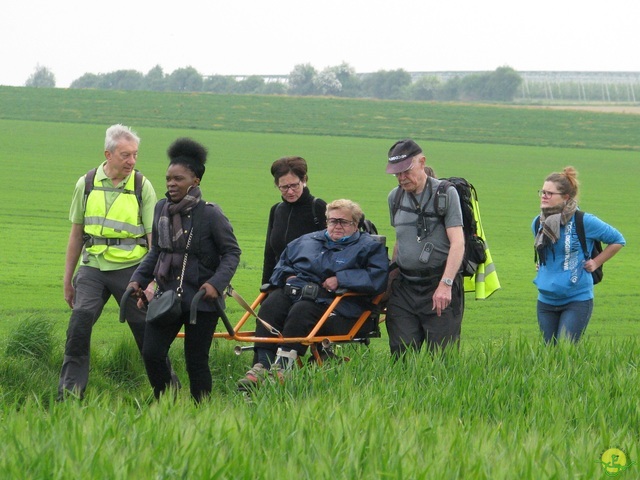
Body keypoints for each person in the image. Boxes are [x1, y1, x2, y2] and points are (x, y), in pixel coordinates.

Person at [58, 124, 175, 400]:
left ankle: (168, 395)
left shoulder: (141, 185)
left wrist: (151, 282)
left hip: (133, 270)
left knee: (147, 334)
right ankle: (69, 396)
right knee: (79, 323)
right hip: (93, 268)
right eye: (126, 155)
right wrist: (67, 279)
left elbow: (153, 239)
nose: (132, 161)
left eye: (135, 154)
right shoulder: (86, 184)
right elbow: (76, 234)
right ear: (108, 154)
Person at [128, 138, 241, 402]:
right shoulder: (160, 209)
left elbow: (232, 253)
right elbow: (157, 251)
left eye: (178, 179)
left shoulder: (210, 214)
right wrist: (137, 280)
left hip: (201, 302)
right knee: (152, 353)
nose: (170, 184)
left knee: (196, 361)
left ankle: (201, 411)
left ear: (195, 181)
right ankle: (166, 402)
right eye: (168, 178)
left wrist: (216, 284)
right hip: (166, 296)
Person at [238, 199, 388, 390]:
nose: (337, 226)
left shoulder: (368, 247)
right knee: (272, 303)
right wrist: (287, 276)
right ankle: (262, 366)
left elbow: (377, 278)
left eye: (344, 222)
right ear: (326, 222)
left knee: (303, 309)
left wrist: (341, 279)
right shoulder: (305, 241)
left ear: (355, 224)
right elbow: (281, 266)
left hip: (337, 304)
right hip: (297, 292)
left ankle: (283, 368)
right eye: (333, 221)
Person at [384, 139, 465, 357]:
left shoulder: (446, 194)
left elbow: (458, 242)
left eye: (406, 171)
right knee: (401, 351)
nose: (402, 178)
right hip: (404, 288)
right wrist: (391, 277)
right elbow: (399, 240)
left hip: (438, 284)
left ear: (422, 162)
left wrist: (446, 285)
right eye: (397, 174)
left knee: (441, 356)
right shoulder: (395, 197)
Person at [533, 166, 625, 344]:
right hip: (545, 299)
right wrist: (542, 265)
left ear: (566, 197)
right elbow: (547, 252)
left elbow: (618, 240)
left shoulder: (584, 221)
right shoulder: (538, 222)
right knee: (548, 353)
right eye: (542, 192)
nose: (544, 196)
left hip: (576, 299)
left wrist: (596, 262)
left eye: (550, 193)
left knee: (566, 350)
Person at [262, 156, 327, 285]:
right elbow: (269, 255)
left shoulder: (319, 207)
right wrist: (266, 287)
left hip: (311, 283)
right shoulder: (276, 210)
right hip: (279, 281)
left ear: (304, 180)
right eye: (284, 187)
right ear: (277, 185)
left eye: (294, 185)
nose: (290, 191)